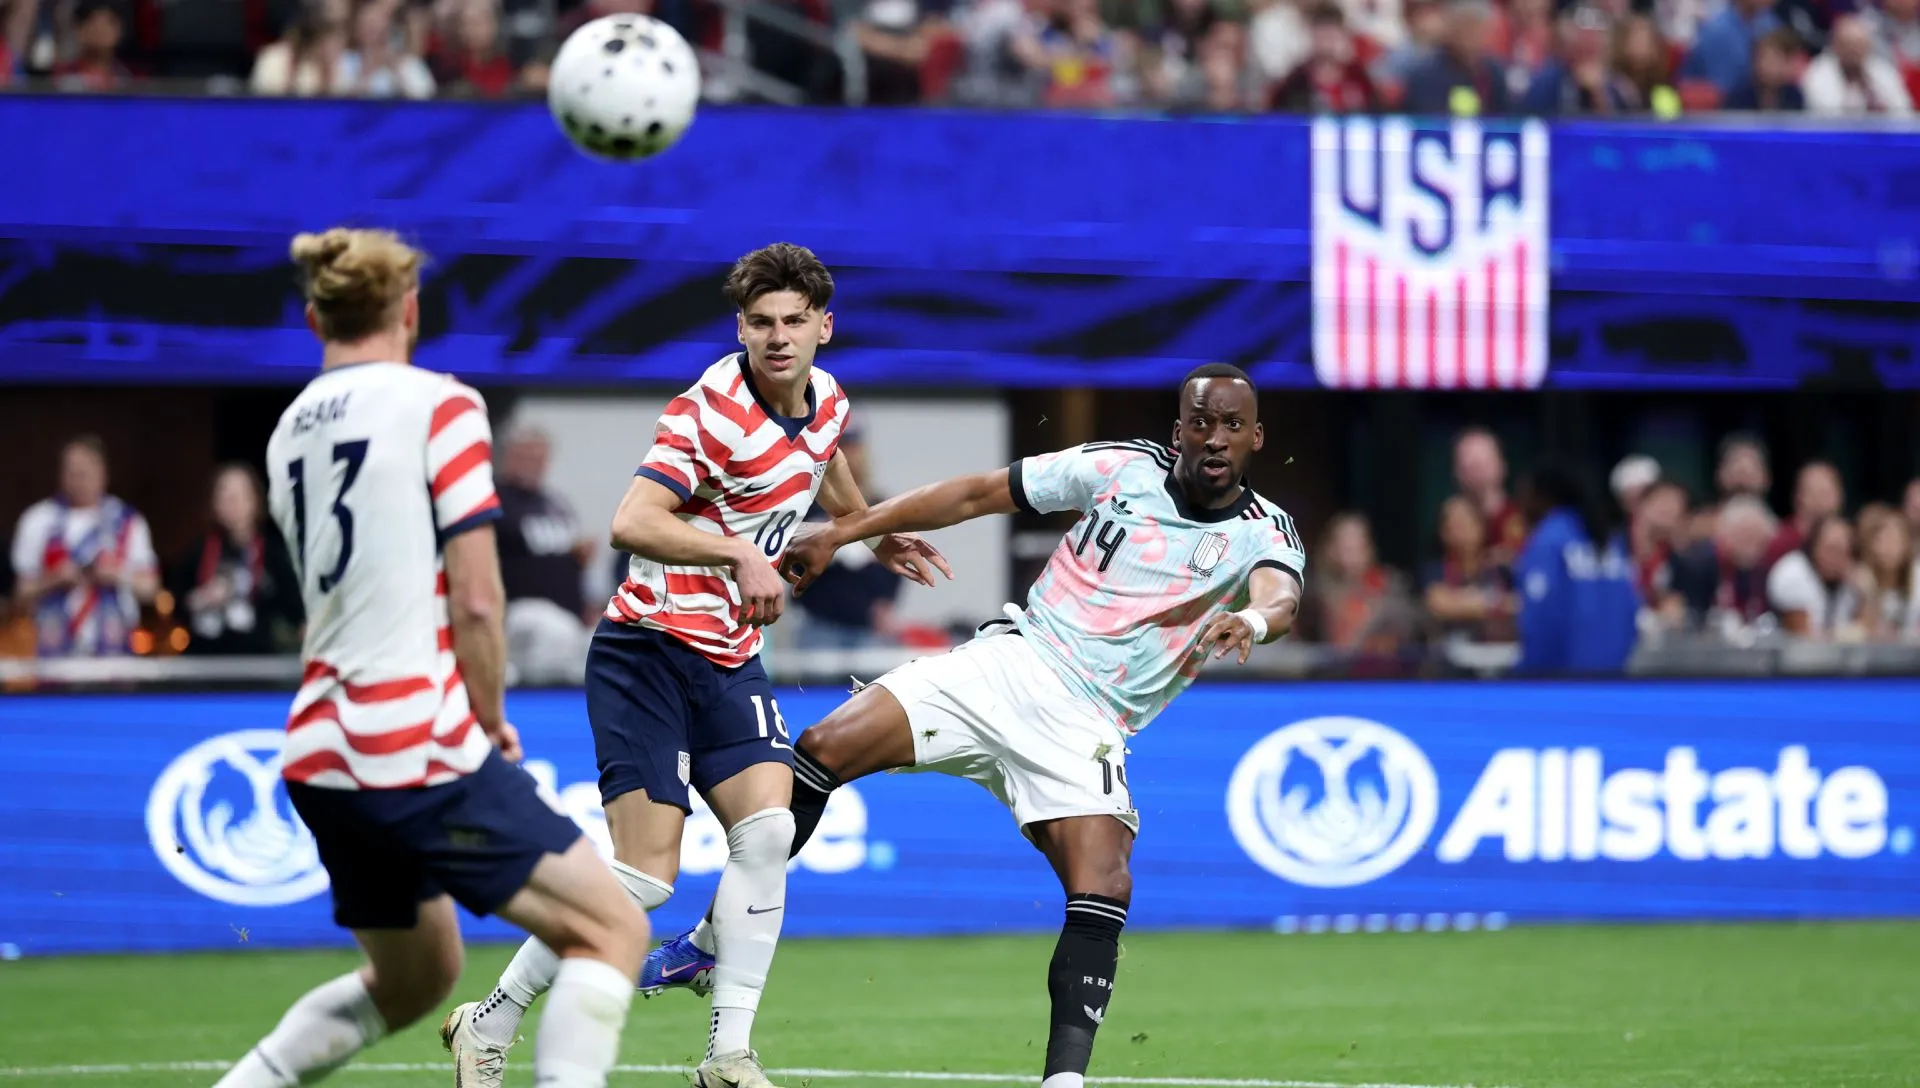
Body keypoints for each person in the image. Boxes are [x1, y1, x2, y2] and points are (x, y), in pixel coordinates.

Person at [646, 363, 1306, 1088]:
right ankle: (712, 940)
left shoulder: (1263, 531)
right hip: (1012, 661)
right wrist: (844, 531)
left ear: (1257, 439)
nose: (1215, 438)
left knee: (1105, 886)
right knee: (822, 747)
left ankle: (1064, 1083)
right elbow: (975, 493)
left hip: (1088, 720)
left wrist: (1249, 618)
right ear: (1179, 430)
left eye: (1232, 426)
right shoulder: (1119, 467)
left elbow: (1280, 597)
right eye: (1202, 422)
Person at [442, 243, 946, 1088]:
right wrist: (736, 556)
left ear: (825, 326)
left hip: (731, 656)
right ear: (740, 329)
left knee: (771, 833)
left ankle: (727, 1055)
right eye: (761, 323)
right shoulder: (705, 410)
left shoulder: (827, 400)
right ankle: (488, 1022)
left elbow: (823, 466)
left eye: (793, 322)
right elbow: (631, 520)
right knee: (644, 878)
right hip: (645, 654)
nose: (778, 338)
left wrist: (868, 529)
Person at [216, 228, 649, 1088]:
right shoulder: (440, 404)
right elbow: (479, 598)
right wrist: (488, 721)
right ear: (409, 311)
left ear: (315, 319)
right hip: (407, 738)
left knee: (417, 977)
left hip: (318, 748)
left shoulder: (287, 433)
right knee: (609, 930)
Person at [11, 435, 160, 657]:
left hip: (114, 654)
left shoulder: (127, 521)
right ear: (60, 474)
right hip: (54, 653)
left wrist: (116, 574)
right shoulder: (37, 520)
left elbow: (151, 588)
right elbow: (20, 593)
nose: (79, 478)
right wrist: (53, 579)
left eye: (86, 470)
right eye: (72, 471)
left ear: (104, 473)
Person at [1512, 463, 1640, 673]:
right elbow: (1631, 610)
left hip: (1560, 685)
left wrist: (1529, 677)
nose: (1521, 505)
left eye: (1524, 495)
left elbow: (1539, 620)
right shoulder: (1608, 540)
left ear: (1542, 497)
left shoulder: (1549, 539)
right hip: (1613, 680)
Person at [168, 463, 305, 655]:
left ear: (256, 500)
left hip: (258, 665)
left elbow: (297, 614)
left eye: (240, 495)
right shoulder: (197, 552)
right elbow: (175, 607)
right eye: (224, 495)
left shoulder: (274, 555)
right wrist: (202, 598)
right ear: (213, 503)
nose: (232, 502)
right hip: (205, 663)